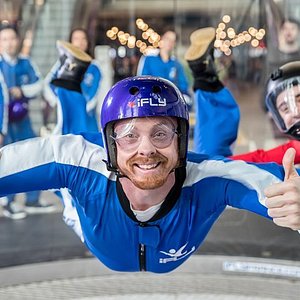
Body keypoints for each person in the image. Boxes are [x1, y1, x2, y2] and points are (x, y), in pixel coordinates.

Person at [0, 75, 300, 273]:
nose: (146, 149)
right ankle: (68, 82)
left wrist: (296, 203)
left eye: (161, 133)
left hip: (187, 184)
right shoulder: (82, 157)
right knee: (65, 175)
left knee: (215, 157)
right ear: (110, 145)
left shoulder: (206, 177)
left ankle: (207, 82)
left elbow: (272, 183)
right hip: (89, 209)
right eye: (129, 135)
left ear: (181, 141)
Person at [0, 25, 55, 219]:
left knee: (33, 156)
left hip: (23, 120)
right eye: (4, 39)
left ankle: (33, 200)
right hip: (4, 124)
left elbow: (39, 84)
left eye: (12, 38)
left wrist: (22, 91)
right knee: (6, 161)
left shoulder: (26, 62)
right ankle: (8, 202)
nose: (9, 43)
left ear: (18, 40)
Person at [184, 27, 240, 156]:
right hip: (207, 95)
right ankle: (201, 69)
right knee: (211, 152)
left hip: (207, 93)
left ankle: (201, 69)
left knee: (210, 149)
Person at [44, 28, 102, 132]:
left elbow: (95, 94)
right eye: (76, 38)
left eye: (83, 38)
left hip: (86, 119)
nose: (80, 42)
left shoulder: (95, 67)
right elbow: (49, 83)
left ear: (88, 42)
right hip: (65, 117)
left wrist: (80, 107)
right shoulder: (63, 63)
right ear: (70, 42)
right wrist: (59, 102)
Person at [136, 28, 191, 107]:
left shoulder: (176, 64)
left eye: (173, 40)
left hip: (171, 102)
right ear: (162, 38)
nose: (169, 42)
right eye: (168, 39)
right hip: (151, 100)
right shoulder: (149, 59)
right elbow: (141, 80)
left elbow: (183, 85)